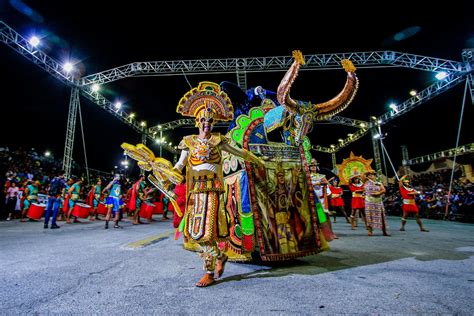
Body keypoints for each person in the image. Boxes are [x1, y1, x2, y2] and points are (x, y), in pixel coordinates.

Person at [172, 82, 263, 287]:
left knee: (207, 233)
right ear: (197, 121)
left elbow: (239, 153)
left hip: (213, 191)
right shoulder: (188, 142)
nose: (207, 123)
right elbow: (180, 164)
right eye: (203, 119)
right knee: (197, 233)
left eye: (210, 120)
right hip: (195, 193)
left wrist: (255, 159)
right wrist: (168, 173)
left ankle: (209, 273)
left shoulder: (218, 140)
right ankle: (220, 256)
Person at [309, 158, 336, 240]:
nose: (313, 167)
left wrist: (318, 183)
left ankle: (330, 233)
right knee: (313, 216)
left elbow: (325, 182)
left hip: (321, 200)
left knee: (325, 216)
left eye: (315, 165)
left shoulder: (321, 176)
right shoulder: (307, 177)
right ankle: (318, 234)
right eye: (311, 165)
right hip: (312, 199)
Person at [363, 170, 390, 236]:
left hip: (378, 201)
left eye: (373, 175)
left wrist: (378, 193)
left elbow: (384, 190)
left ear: (375, 176)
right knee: (369, 216)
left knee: (382, 216)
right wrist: (368, 172)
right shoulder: (366, 182)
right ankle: (370, 231)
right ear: (367, 176)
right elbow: (362, 175)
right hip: (369, 201)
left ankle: (384, 231)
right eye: (369, 175)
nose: (371, 176)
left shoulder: (378, 182)